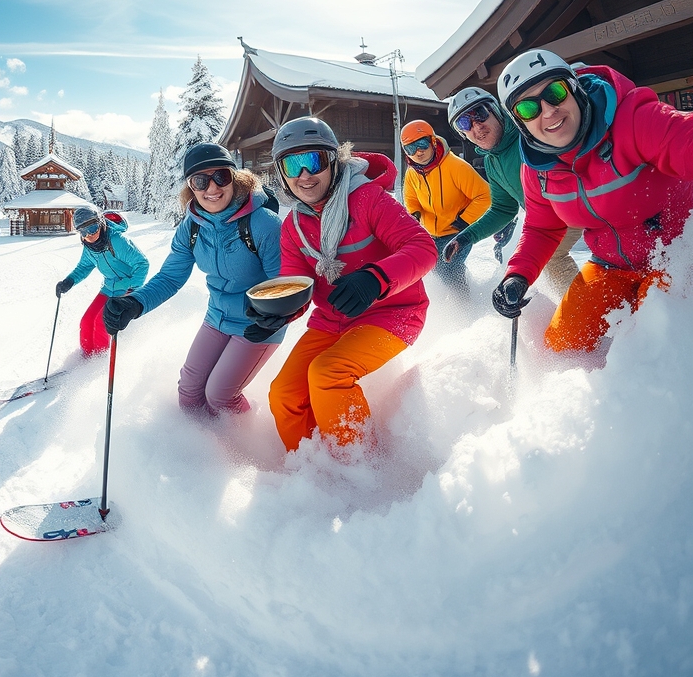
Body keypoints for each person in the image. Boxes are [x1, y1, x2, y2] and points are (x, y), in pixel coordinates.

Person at [244, 118, 438, 452]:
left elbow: (422, 248)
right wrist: (276, 313)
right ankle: (312, 468)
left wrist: (374, 279)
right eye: (293, 164)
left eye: (314, 160)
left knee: (327, 373)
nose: (305, 174)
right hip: (334, 320)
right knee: (284, 393)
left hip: (394, 314)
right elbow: (298, 287)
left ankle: (356, 468)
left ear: (334, 161)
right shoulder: (293, 227)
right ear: (282, 172)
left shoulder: (368, 199)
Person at [491, 50, 693, 353]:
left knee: (652, 341)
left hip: (674, 255)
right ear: (519, 122)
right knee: (562, 346)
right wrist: (517, 274)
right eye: (528, 108)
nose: (547, 111)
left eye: (555, 92)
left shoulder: (634, 119)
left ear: (575, 89)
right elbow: (541, 228)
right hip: (611, 265)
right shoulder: (537, 170)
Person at [102, 143, 284, 416]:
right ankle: (197, 451)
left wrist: (272, 316)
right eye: (200, 180)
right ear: (190, 186)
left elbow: (282, 283)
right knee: (189, 392)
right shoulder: (192, 227)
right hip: (217, 318)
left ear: (234, 177)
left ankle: (241, 451)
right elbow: (170, 277)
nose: (212, 188)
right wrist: (134, 303)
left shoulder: (264, 224)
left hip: (259, 323)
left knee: (220, 396)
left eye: (221, 176)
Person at [442, 88, 581, 294]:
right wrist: (466, 237)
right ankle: (579, 307)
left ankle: (591, 313)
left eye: (480, 113)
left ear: (496, 110)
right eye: (464, 123)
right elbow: (503, 208)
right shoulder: (492, 161)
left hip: (576, 205)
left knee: (549, 257)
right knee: (532, 263)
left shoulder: (526, 134)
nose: (476, 126)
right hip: (545, 222)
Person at [401, 119, 490, 289]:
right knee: (435, 270)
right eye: (411, 148)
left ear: (433, 141)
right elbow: (411, 198)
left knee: (450, 270)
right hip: (431, 234)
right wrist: (415, 214)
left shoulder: (456, 166)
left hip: (456, 232)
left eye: (422, 144)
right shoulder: (413, 173)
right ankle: (454, 302)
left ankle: (464, 310)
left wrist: (464, 221)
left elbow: (485, 195)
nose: (418, 152)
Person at [56, 205, 149, 356]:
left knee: (101, 323)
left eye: (92, 229)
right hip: (108, 288)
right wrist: (69, 281)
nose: (89, 235)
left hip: (125, 289)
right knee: (86, 321)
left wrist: (133, 289)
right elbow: (83, 267)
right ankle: (86, 357)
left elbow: (142, 263)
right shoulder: (90, 247)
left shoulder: (117, 242)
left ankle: (99, 361)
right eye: (83, 232)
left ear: (100, 223)